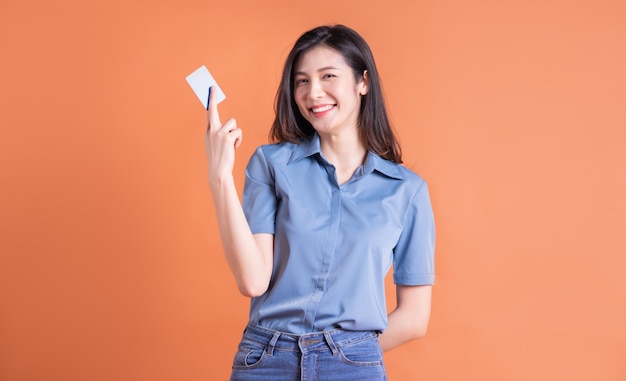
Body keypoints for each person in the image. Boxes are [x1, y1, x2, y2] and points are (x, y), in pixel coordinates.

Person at [204, 24, 435, 381]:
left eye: (328, 76)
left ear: (363, 82)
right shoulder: (271, 164)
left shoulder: (406, 190)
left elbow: (415, 319)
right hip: (266, 362)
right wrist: (220, 177)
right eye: (301, 81)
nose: (313, 93)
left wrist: (345, 351)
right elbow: (252, 281)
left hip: (353, 365)